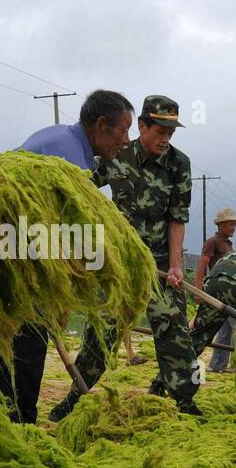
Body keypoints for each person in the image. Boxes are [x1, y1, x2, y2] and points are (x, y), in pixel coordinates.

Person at [49, 95, 199, 419]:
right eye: (160, 130)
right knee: (100, 334)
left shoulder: (179, 165)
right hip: (120, 263)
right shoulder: (117, 155)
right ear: (141, 126)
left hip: (160, 263)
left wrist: (175, 265)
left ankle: (185, 402)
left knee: (174, 332)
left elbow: (178, 218)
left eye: (171, 133)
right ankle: (76, 397)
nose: (165, 139)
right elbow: (83, 187)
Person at [0, 89, 133, 423]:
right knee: (26, 341)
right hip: (18, 258)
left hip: (14, 251)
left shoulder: (61, 140)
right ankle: (18, 421)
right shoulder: (68, 161)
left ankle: (12, 417)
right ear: (101, 125)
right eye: (123, 130)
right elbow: (54, 229)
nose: (126, 140)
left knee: (15, 341)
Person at [197, 208, 236, 372]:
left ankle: (218, 365)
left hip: (229, 291)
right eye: (231, 224)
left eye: (234, 225)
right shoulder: (212, 242)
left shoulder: (228, 244)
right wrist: (199, 289)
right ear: (221, 225)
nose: (233, 228)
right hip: (219, 290)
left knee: (225, 329)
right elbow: (202, 265)